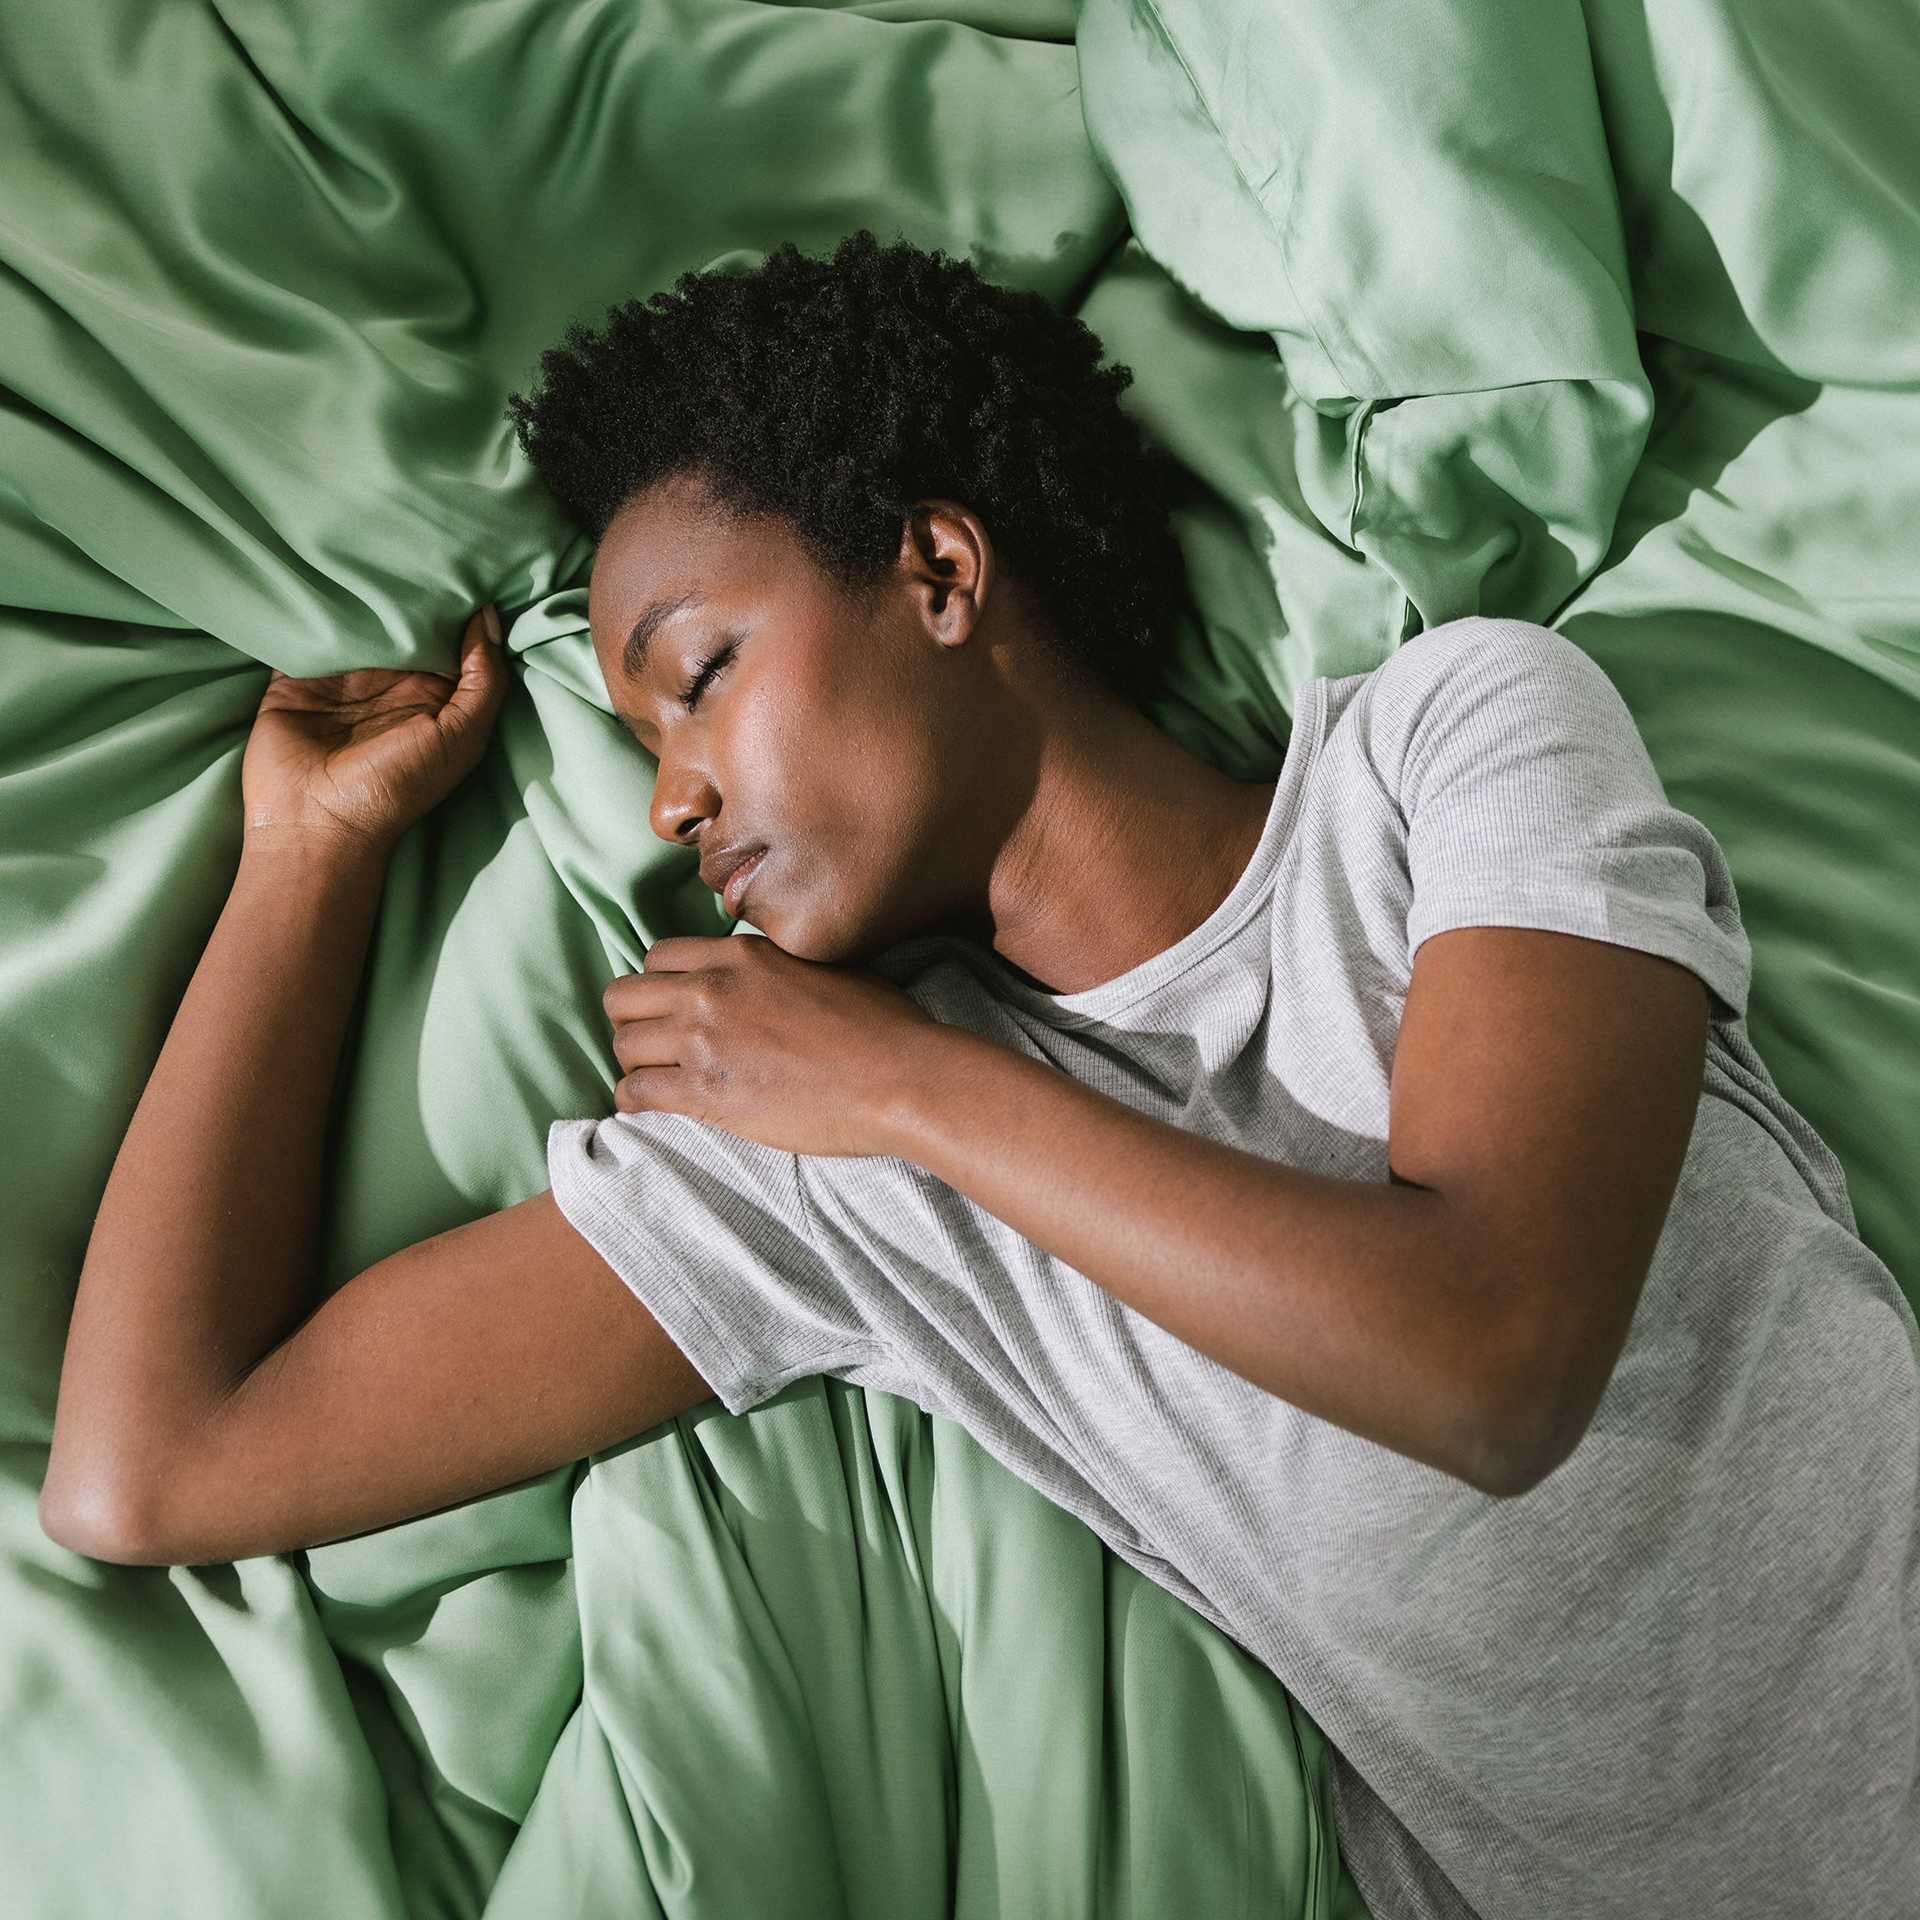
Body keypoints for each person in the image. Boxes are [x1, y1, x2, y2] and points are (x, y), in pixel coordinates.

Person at [41, 231, 1919, 1918]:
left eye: (694, 677)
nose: (670, 796)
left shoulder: (1452, 747)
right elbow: (148, 1469)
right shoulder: (830, 1171)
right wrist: (307, 863)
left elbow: (1500, 1359)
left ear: (938, 570)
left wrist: (917, 1096)